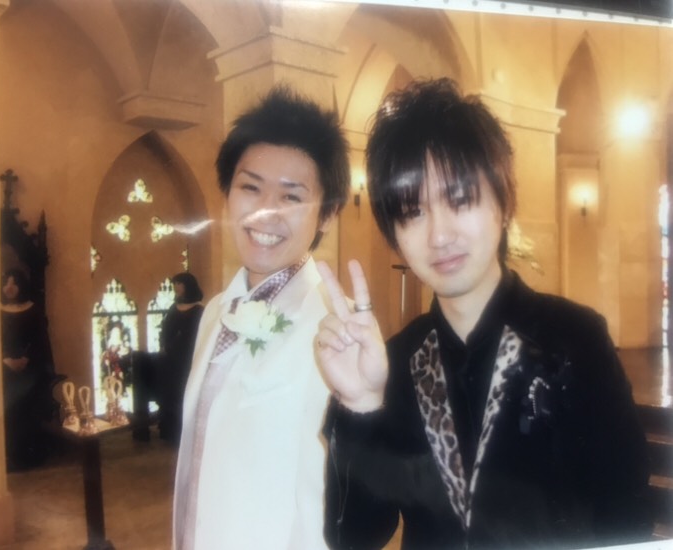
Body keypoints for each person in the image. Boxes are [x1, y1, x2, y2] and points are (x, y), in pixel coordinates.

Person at [315, 78, 652, 549]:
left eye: (460, 200)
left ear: (503, 203)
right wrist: (361, 404)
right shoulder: (396, 362)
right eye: (412, 212)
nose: (439, 235)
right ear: (394, 233)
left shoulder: (575, 339)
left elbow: (626, 512)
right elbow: (353, 538)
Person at [172, 85, 350, 550]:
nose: (266, 211)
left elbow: (329, 497)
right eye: (250, 187)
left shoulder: (333, 329)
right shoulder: (216, 311)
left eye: (292, 197)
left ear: (327, 214)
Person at [0, 268, 55, 471]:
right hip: (4, 372)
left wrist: (26, 359)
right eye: (6, 283)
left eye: (14, 283)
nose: (9, 287)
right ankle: (10, 457)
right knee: (9, 412)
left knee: (29, 411)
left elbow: (40, 341)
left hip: (30, 371)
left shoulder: (33, 310)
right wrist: (5, 360)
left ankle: (30, 456)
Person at [157, 272, 205, 443]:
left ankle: (184, 432)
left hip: (187, 359)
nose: (176, 287)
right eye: (175, 283)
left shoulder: (199, 310)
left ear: (188, 286)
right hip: (171, 359)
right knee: (170, 392)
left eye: (179, 283)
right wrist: (164, 344)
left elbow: (198, 334)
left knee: (184, 392)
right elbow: (165, 329)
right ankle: (169, 429)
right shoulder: (173, 308)